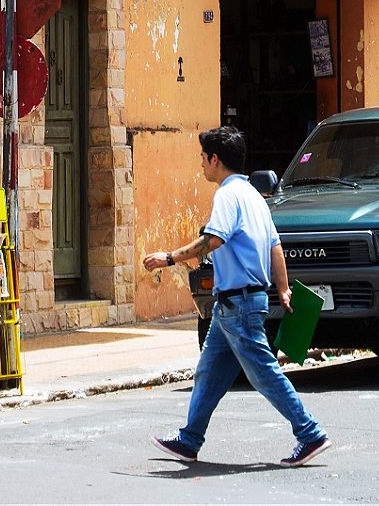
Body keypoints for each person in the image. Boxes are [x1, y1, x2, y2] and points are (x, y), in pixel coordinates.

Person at [141, 125, 330, 467]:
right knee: (209, 374)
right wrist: (284, 288)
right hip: (233, 304)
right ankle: (189, 440)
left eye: (202, 158)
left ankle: (310, 433)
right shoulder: (255, 196)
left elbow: (214, 239)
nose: (201, 164)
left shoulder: (227, 196)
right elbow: (275, 245)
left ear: (215, 159)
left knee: (264, 374)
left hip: (238, 304)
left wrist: (169, 257)